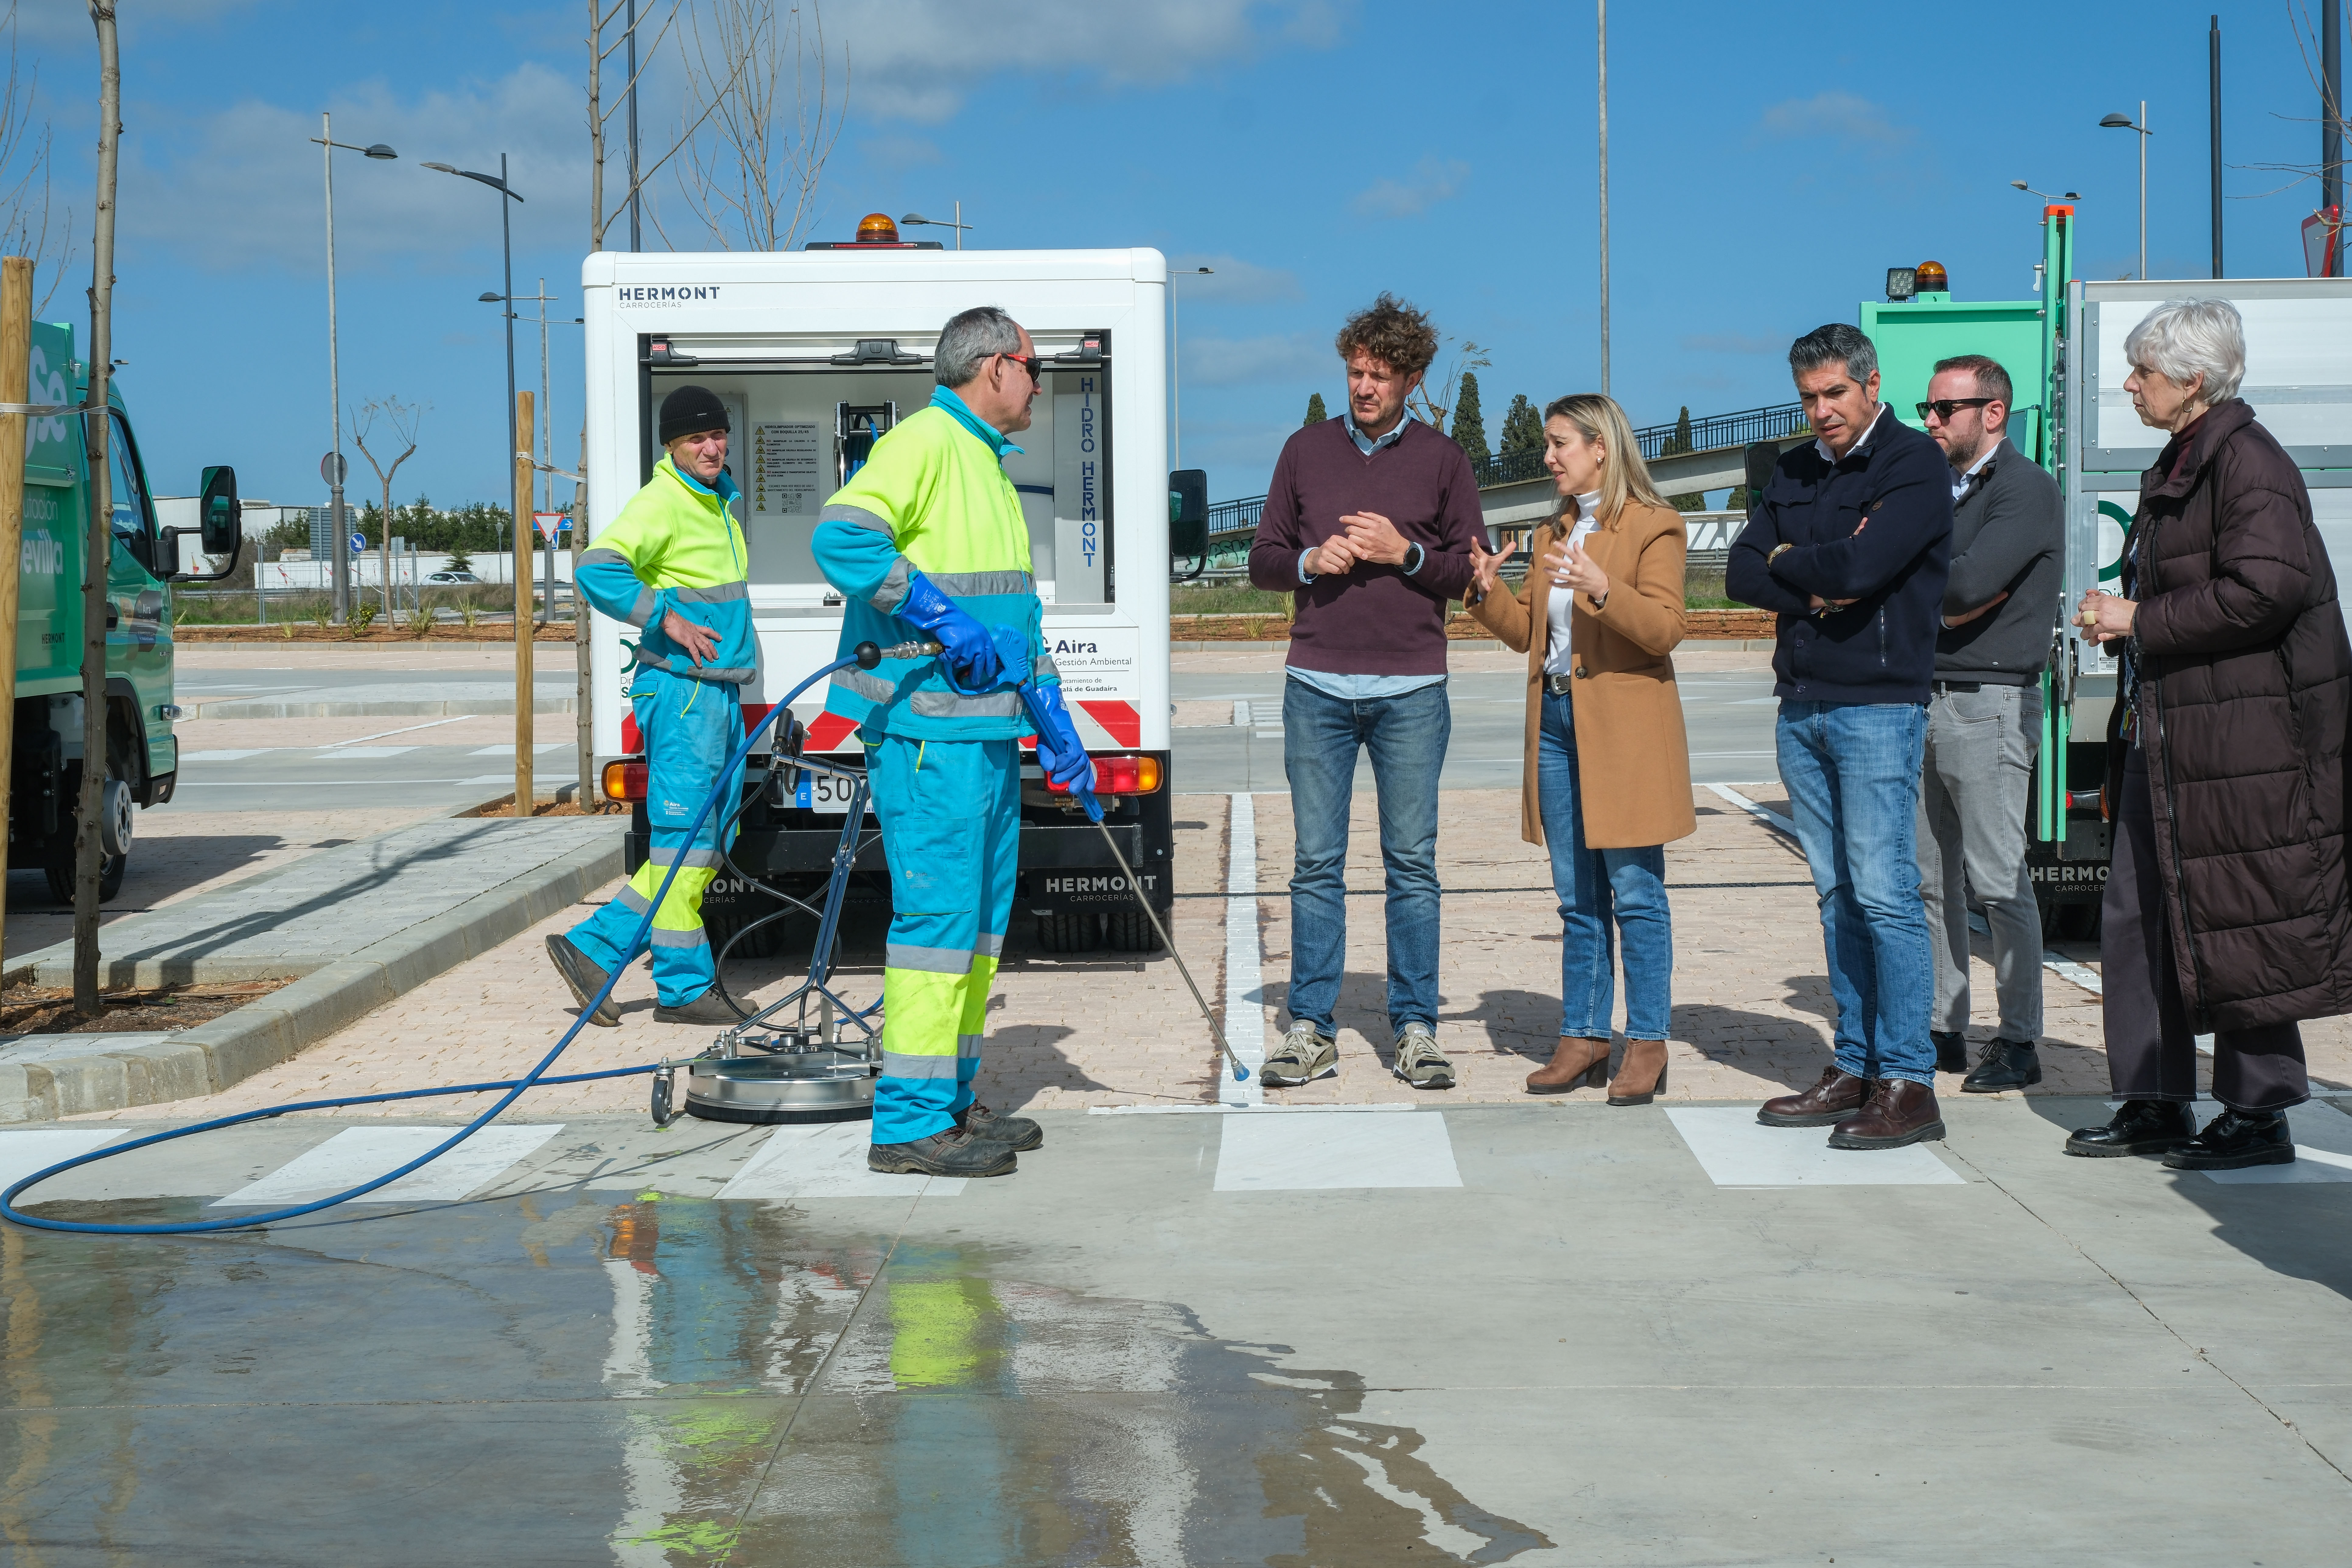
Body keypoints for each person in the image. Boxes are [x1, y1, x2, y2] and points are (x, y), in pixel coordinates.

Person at [810, 305, 1099, 1178]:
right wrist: (935, 613)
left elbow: (1013, 619)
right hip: (930, 739)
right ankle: (907, 1127)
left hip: (985, 740)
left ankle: (952, 1105)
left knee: (976, 931)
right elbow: (842, 539)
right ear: (995, 367)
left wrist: (1056, 725)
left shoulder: (985, 465)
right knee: (938, 930)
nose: (1038, 383)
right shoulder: (928, 442)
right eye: (1032, 364)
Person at [2065, 298, 2352, 1171]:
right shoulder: (2192, 456)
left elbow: (2266, 589)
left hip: (2245, 742)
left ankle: (2260, 1110)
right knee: (2139, 916)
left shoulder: (2247, 462)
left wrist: (2139, 616)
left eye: (2142, 372)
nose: (2129, 385)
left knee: (2242, 919)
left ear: (2192, 381)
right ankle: (2155, 1099)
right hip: (2180, 735)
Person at [1246, 294, 1486, 1090]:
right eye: (1355, 372)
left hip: (1413, 689)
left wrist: (1404, 553)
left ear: (1414, 379)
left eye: (1380, 376)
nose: (1363, 387)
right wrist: (1312, 562)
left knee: (1410, 862)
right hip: (1315, 684)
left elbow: (1471, 573)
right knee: (1316, 862)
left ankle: (1416, 1027)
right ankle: (1311, 1028)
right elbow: (1263, 558)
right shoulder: (1303, 450)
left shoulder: (1446, 461)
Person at [1726, 323, 1955, 1150]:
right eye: (1809, 398)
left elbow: (1865, 572)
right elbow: (1740, 570)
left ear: (1870, 385)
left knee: (1886, 892)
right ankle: (1855, 1065)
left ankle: (1907, 1081)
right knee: (1836, 894)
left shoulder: (1912, 464)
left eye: (1834, 394)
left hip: (1877, 707)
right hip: (1804, 705)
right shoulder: (1792, 469)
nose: (1821, 412)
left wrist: (1801, 565)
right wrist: (1812, 573)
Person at [1463, 394, 1693, 1104]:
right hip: (1558, 722)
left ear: (1602, 448)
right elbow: (1530, 631)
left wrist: (1602, 588)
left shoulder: (1656, 525)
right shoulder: (1550, 531)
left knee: (1636, 891)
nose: (1549, 456)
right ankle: (1585, 1033)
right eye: (1547, 443)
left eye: (1560, 442)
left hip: (1624, 732)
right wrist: (1486, 592)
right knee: (1576, 896)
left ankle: (1647, 1040)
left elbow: (1664, 629)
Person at [546, 385, 759, 1031]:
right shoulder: (664, 500)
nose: (712, 446)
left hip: (713, 690)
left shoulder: (715, 500)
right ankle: (683, 985)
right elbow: (597, 570)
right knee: (682, 842)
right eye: (697, 438)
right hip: (684, 692)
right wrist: (666, 618)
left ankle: (597, 945)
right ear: (672, 445)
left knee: (710, 839)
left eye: (718, 435)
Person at [1915, 354, 2063, 1092]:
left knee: (1998, 880)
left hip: (1992, 700)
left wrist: (1903, 570)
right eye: (1928, 408)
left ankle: (2018, 1037)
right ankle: (1944, 1024)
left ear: (1993, 412)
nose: (1931, 421)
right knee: (1926, 877)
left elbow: (1968, 584)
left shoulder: (2026, 490)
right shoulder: (1932, 486)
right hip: (1921, 698)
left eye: (1945, 409)